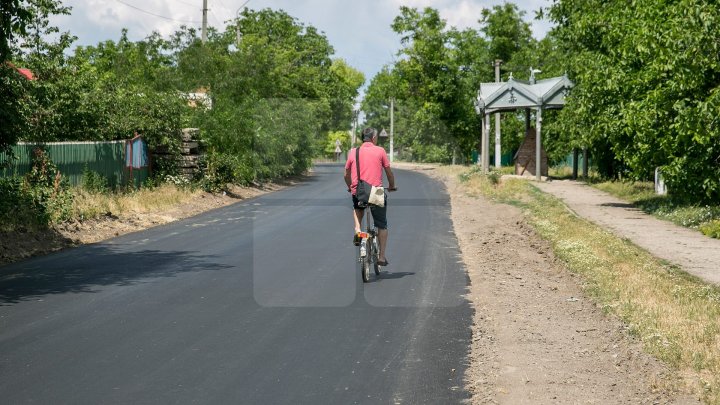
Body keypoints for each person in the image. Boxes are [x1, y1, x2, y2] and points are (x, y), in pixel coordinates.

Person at [344, 127, 397, 266]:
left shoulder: (353, 152)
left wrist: (351, 187)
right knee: (382, 224)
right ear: (373, 138)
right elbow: (389, 173)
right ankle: (381, 257)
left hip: (359, 191)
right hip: (376, 192)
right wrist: (391, 186)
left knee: (357, 205)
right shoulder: (380, 150)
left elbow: (346, 175)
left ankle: (357, 229)